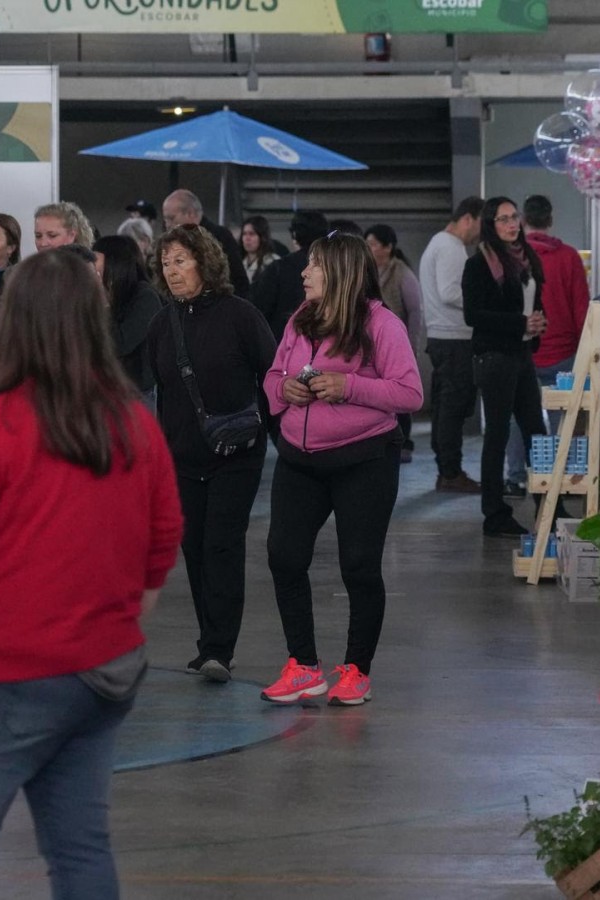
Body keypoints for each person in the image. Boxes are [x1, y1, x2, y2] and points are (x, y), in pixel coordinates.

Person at [0, 248, 183, 899]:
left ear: (13, 323)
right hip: (103, 671)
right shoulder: (133, 420)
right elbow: (162, 541)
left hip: (4, 677)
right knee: (79, 849)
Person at [260, 233, 422, 705]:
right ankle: (303, 667)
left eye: (313, 266)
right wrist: (285, 389)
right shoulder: (299, 319)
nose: (304, 273)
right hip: (298, 458)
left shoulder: (381, 323)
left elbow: (409, 394)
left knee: (359, 566)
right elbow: (273, 375)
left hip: (364, 460)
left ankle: (357, 669)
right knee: (284, 556)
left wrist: (347, 386)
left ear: (341, 273)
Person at [145, 224, 276, 682]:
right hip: (182, 456)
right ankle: (208, 642)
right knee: (195, 548)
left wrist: (285, 438)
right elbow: (156, 390)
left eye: (181, 260)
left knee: (221, 544)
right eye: (166, 262)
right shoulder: (163, 323)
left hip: (237, 452)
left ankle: (220, 647)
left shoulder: (241, 315)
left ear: (205, 261)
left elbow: (272, 375)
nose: (172, 270)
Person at [464, 197, 547, 538]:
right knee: (497, 435)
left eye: (515, 217)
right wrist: (520, 323)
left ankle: (549, 503)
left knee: (536, 433)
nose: (512, 224)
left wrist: (538, 322)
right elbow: (474, 315)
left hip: (523, 355)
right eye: (504, 219)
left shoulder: (526, 258)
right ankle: (494, 514)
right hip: (495, 357)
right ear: (490, 224)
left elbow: (532, 302)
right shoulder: (480, 264)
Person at [509, 194, 592, 489]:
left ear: (522, 221)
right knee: (563, 415)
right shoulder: (569, 257)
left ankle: (516, 477)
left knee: (518, 416)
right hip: (564, 353)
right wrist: (587, 351)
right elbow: (582, 308)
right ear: (551, 219)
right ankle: (562, 476)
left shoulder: (513, 257)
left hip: (523, 351)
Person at [420, 197, 485, 493]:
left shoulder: (440, 244)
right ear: (468, 218)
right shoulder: (450, 247)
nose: (480, 234)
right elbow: (449, 292)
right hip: (453, 339)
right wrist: (482, 304)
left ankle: (447, 469)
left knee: (448, 407)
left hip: (443, 338)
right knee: (453, 409)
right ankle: (450, 471)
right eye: (482, 224)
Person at [364, 223, 425, 463]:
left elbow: (415, 312)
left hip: (396, 342)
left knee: (400, 394)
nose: (369, 249)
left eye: (373, 244)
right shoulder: (366, 271)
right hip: (370, 344)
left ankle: (404, 442)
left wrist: (411, 345)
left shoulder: (401, 272)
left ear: (388, 247)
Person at [92, 234, 164, 394]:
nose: (92, 265)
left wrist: (103, 303)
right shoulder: (103, 293)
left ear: (114, 261)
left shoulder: (145, 296)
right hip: (105, 390)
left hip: (136, 393)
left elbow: (120, 344)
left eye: (95, 259)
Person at [252, 209, 328, 341]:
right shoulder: (335, 267)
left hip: (281, 344)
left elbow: (258, 311)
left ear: (294, 234)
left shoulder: (278, 268)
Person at [162, 189, 251, 292]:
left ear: (191, 213)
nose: (167, 224)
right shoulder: (170, 240)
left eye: (171, 218)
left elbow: (238, 280)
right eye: (165, 219)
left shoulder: (220, 237)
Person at [240, 215, 281, 287]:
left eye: (251, 234)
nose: (247, 238)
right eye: (244, 234)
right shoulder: (239, 262)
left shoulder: (273, 261)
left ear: (262, 237)